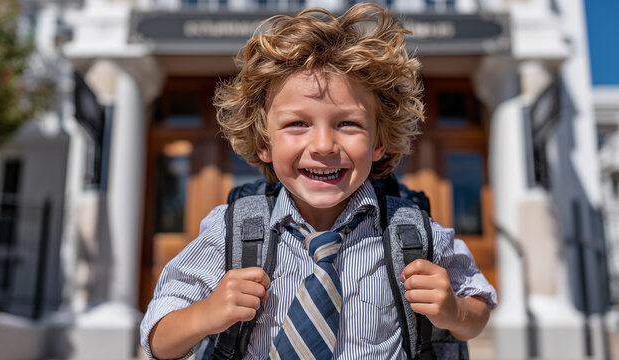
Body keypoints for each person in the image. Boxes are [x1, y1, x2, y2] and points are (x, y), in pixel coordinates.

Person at [140, 3, 497, 359]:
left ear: (377, 142)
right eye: (297, 124)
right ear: (265, 142)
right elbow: (159, 339)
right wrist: (206, 314)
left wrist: (453, 311)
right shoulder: (229, 232)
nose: (324, 145)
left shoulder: (414, 232)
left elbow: (476, 309)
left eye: (348, 124)